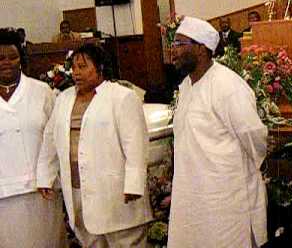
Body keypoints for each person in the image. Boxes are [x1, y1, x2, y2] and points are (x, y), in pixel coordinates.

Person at [37, 44, 152, 247]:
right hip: (78, 189)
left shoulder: (122, 97)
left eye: (83, 66)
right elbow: (49, 139)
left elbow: (136, 145)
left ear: (100, 67)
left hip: (118, 193)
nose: (76, 73)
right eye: (74, 67)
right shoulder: (64, 99)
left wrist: (134, 184)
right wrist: (45, 176)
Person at [168, 16, 268, 248]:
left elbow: (254, 137)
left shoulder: (228, 86)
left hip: (224, 198)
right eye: (173, 43)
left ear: (202, 50)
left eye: (180, 44)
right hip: (190, 196)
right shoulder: (186, 86)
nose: (173, 50)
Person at [0, 28, 66, 247]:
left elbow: (56, 139)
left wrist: (50, 176)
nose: (6, 62)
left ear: (22, 59)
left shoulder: (42, 92)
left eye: (12, 57)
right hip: (4, 195)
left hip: (41, 191)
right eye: (0, 58)